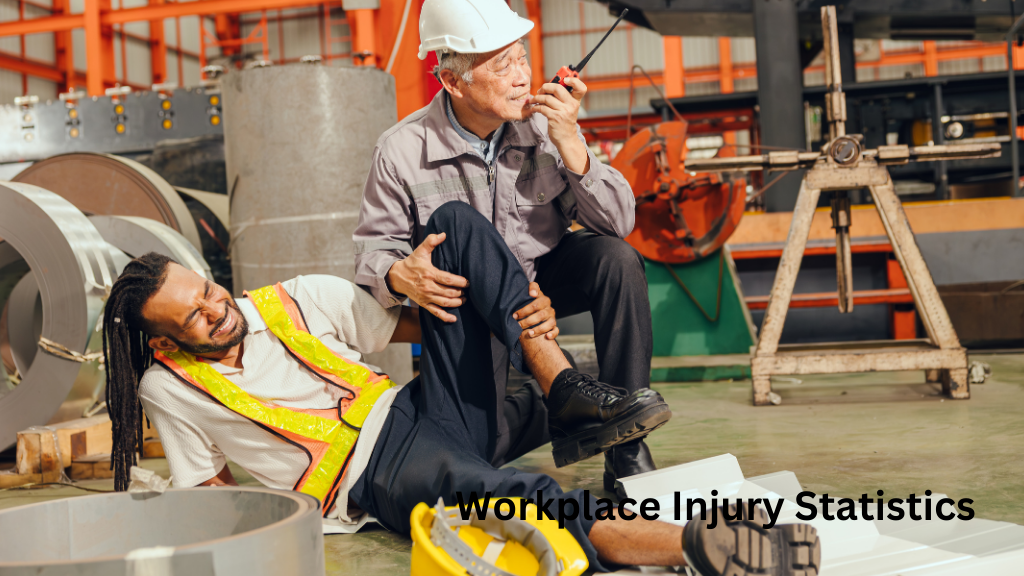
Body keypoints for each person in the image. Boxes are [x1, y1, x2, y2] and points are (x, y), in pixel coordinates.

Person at [101, 202, 819, 575]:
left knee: (450, 226)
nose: (216, 308)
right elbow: (213, 490)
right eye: (193, 316)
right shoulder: (169, 387)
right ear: (165, 340)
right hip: (376, 471)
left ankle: (562, 385)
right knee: (508, 496)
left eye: (208, 290)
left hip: (418, 406)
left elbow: (428, 320)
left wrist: (507, 313)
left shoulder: (295, 298)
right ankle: (692, 545)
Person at [354, 0, 656, 494]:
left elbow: (618, 221)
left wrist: (570, 140)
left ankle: (626, 446)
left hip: (544, 280)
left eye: (522, 58)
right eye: (502, 65)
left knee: (616, 261)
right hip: (472, 309)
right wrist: (398, 274)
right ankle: (561, 404)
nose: (522, 77)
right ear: (453, 81)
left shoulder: (544, 127)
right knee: (478, 453)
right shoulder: (401, 151)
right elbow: (373, 252)